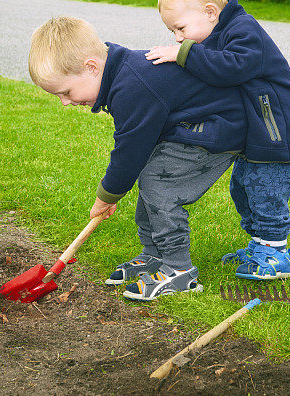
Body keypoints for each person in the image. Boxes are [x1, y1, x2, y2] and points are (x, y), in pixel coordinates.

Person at [28, 16, 247, 300]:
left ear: (91, 67)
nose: (65, 102)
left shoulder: (131, 86)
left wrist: (107, 195)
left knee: (159, 184)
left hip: (218, 128)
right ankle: (154, 255)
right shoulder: (121, 76)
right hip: (188, 128)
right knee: (150, 176)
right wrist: (117, 190)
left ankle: (179, 270)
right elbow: (139, 147)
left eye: (66, 92)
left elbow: (129, 150)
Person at [145, 0, 290, 280]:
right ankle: (259, 243)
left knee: (266, 190)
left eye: (180, 29)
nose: (179, 38)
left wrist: (185, 53)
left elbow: (232, 68)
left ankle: (276, 251)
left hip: (277, 129)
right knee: (243, 188)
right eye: (174, 33)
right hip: (255, 131)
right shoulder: (215, 31)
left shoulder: (243, 29)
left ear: (210, 12)